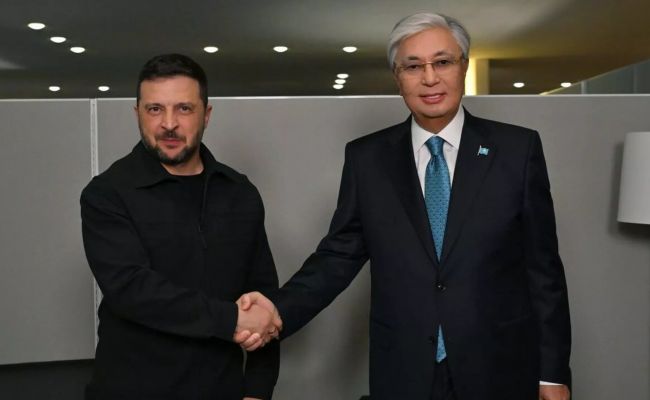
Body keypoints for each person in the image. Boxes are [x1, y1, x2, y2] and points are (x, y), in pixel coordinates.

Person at [238, 13, 571, 400]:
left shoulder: (517, 151)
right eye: (413, 66)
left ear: (463, 66)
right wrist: (277, 310)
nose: (429, 78)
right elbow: (337, 256)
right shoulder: (367, 159)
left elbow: (544, 271)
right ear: (397, 78)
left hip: (499, 367)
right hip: (404, 371)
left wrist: (552, 374)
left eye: (442, 62)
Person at [80, 53, 281, 400]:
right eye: (155, 109)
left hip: (223, 389)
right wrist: (231, 319)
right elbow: (133, 291)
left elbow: (262, 297)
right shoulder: (107, 193)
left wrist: (258, 390)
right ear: (138, 113)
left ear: (207, 114)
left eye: (184, 109)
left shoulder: (239, 192)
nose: (168, 123)